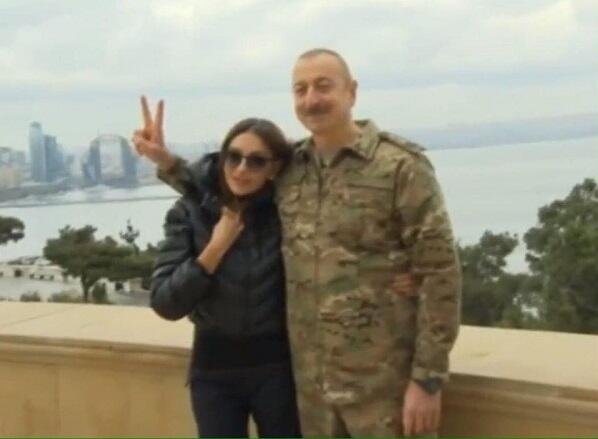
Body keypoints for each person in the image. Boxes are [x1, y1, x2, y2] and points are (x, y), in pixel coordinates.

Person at [138, 48, 459, 437]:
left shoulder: (400, 167)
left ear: (351, 91)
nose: (311, 99)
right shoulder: (291, 168)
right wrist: (166, 162)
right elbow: (229, 183)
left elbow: (440, 273)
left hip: (383, 386)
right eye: (300, 89)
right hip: (311, 394)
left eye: (323, 86)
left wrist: (427, 380)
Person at [134, 101, 302, 438]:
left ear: (274, 168)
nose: (241, 169)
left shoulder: (289, 214)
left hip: (278, 371)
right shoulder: (189, 213)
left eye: (256, 161)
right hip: (214, 373)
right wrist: (214, 250)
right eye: (233, 157)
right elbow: (165, 303)